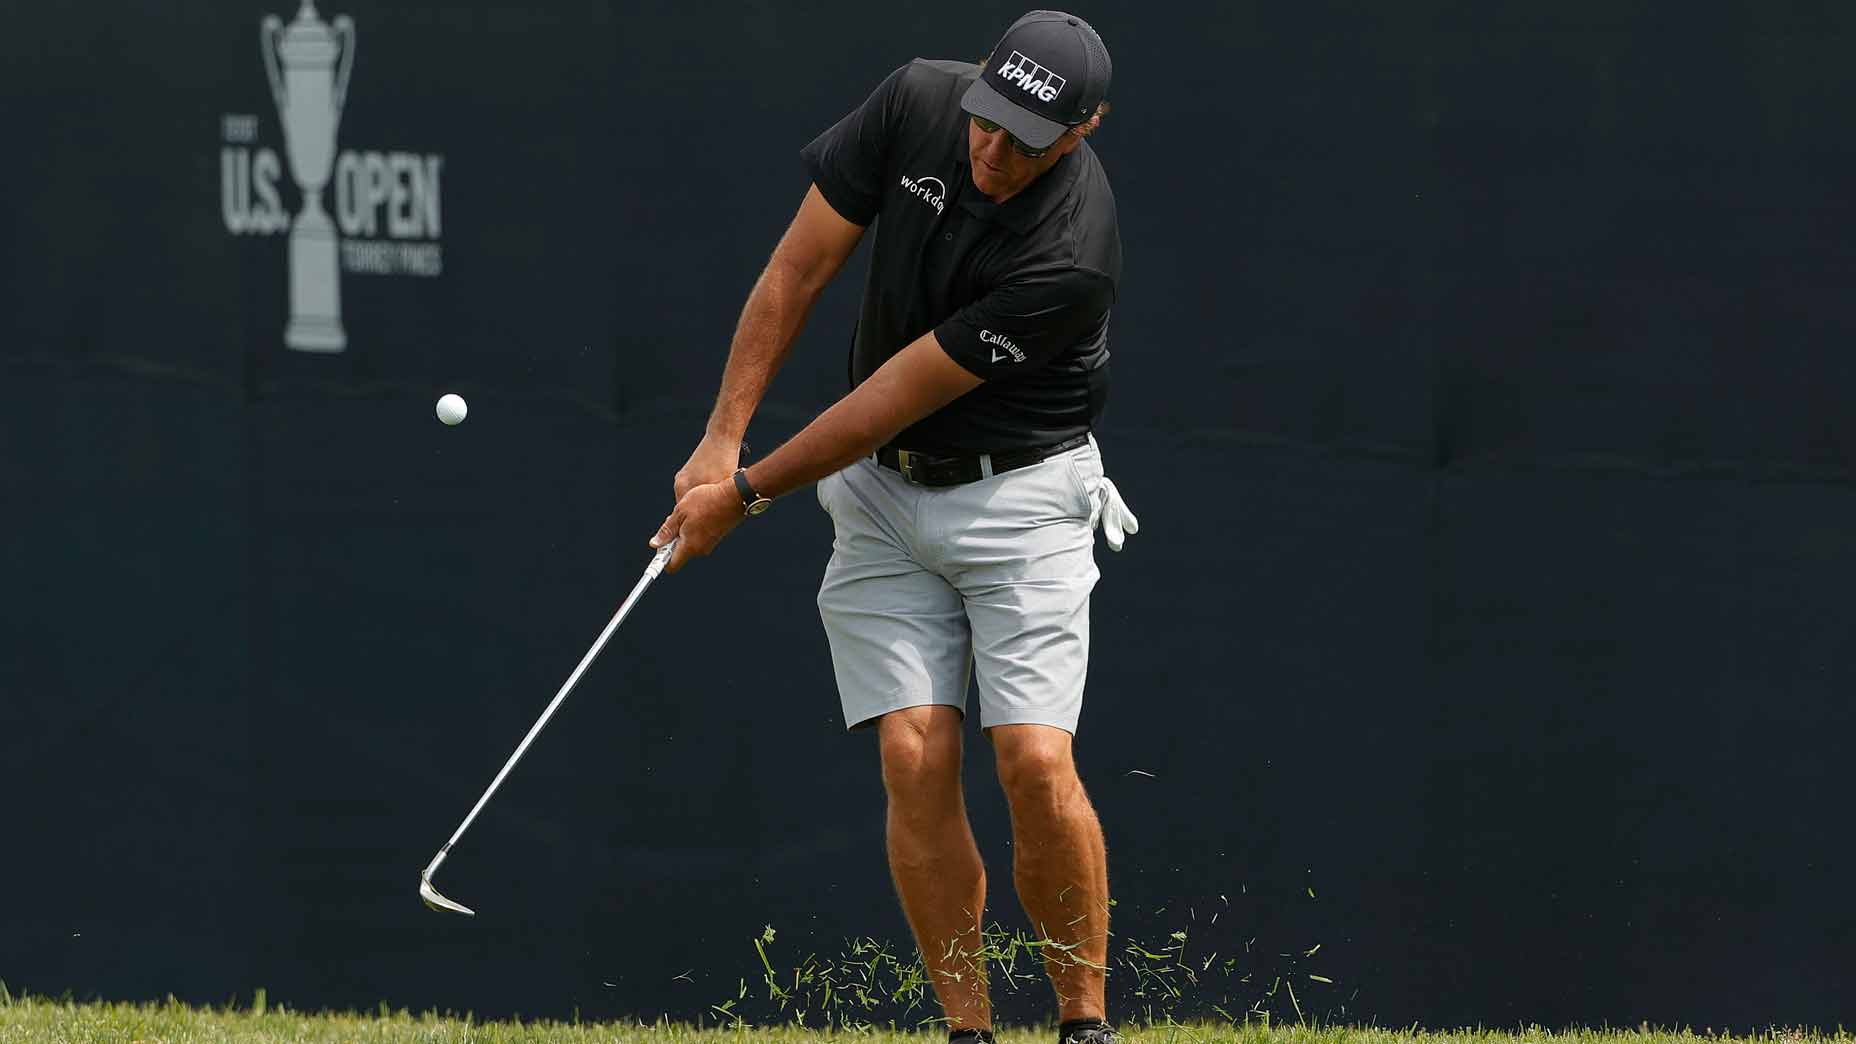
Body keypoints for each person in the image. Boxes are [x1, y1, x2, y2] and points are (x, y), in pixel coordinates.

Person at [651, 11, 1138, 1044]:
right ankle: (966, 1030)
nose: (991, 153)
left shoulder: (1070, 254)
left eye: (1025, 141)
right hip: (879, 496)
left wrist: (741, 497)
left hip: (1024, 503)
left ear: (1082, 130)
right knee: (912, 759)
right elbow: (797, 270)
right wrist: (718, 438)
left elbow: (892, 396)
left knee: (1032, 766)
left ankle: (1082, 1022)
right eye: (985, 125)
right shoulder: (916, 97)